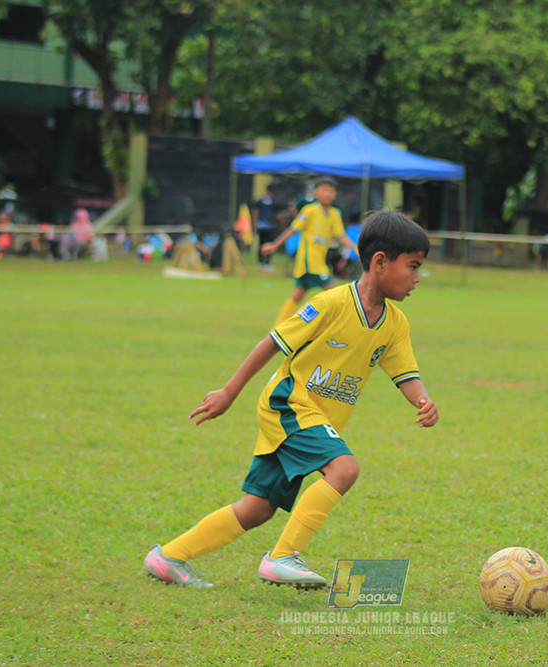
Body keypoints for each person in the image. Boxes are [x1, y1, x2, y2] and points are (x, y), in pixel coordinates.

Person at [142, 210, 439, 590]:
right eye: (412, 267)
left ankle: (168, 557)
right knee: (345, 469)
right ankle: (282, 557)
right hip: (289, 404)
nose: (416, 279)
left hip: (312, 417)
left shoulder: (395, 323)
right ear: (380, 262)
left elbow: (405, 374)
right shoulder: (330, 304)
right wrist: (229, 391)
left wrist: (423, 400)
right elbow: (272, 343)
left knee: (257, 508)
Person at [260, 176, 359, 325]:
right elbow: (292, 230)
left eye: (331, 191)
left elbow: (341, 235)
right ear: (316, 193)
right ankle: (336, 326)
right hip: (308, 262)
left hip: (318, 262)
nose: (328, 193)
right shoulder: (309, 211)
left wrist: (355, 248)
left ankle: (278, 327)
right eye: (324, 190)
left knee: (297, 296)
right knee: (332, 293)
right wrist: (274, 245)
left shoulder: (334, 214)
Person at [254, 185, 278, 272]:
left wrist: (255, 223)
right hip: (269, 226)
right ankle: (267, 262)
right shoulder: (274, 201)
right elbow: (277, 214)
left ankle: (261, 262)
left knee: (261, 244)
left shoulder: (261, 200)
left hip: (261, 225)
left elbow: (255, 212)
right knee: (269, 244)